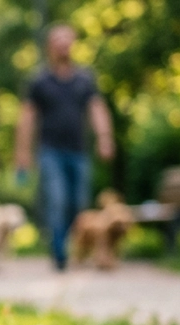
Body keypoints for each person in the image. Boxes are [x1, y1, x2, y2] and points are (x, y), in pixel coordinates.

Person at [14, 23, 115, 271]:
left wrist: (105, 137)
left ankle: (77, 248)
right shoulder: (39, 80)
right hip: (50, 151)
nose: (62, 44)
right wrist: (22, 153)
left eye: (66, 39)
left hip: (79, 151)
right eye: (57, 40)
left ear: (73, 43)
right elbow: (27, 117)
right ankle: (59, 254)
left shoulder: (84, 78)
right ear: (50, 46)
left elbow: (97, 108)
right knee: (57, 200)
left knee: (78, 204)